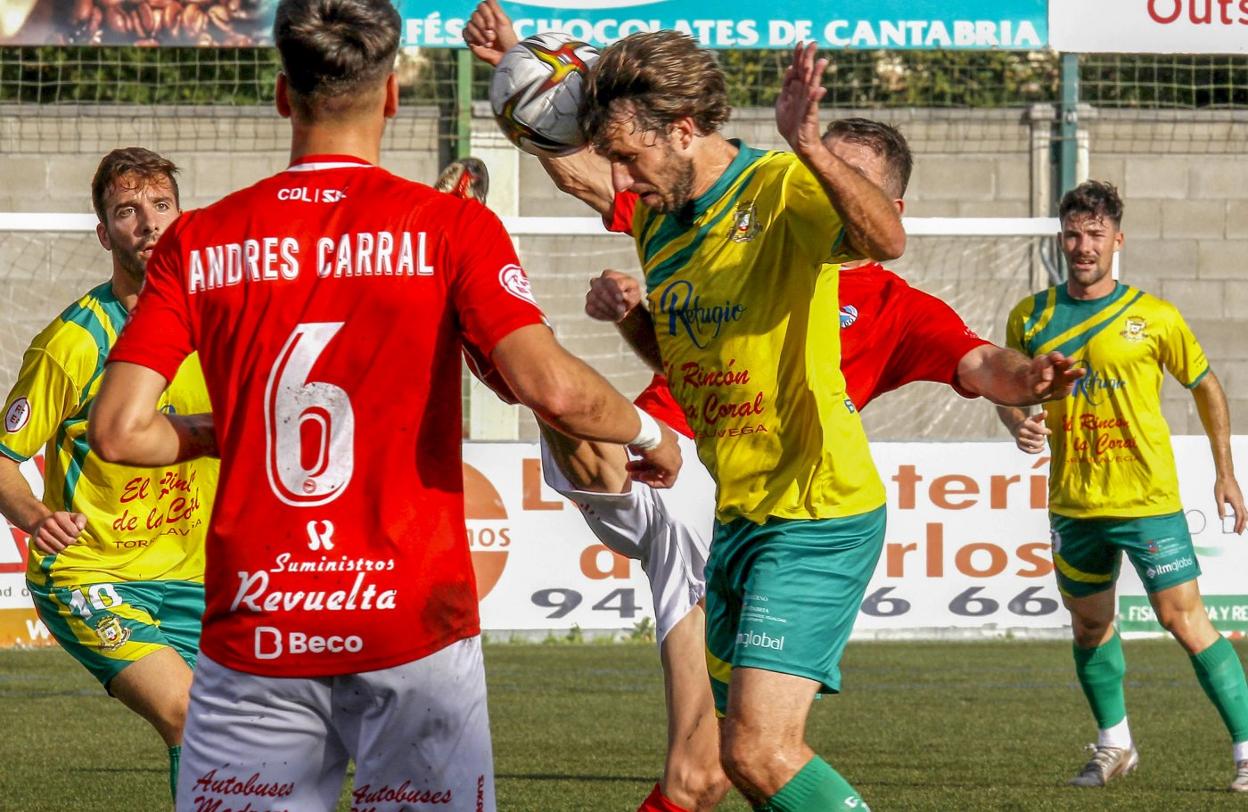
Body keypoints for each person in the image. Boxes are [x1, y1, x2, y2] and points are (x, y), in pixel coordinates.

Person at [86, 0, 682, 809]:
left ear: (282, 96)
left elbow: (119, 433)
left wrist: (220, 434)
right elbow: (553, 388)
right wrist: (650, 431)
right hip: (411, 623)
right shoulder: (450, 228)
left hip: (258, 622)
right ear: (394, 94)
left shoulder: (200, 240)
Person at [996, 180, 1248, 792]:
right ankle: (1115, 745)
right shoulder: (1031, 316)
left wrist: (1225, 473)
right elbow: (1009, 386)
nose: (1084, 246)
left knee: (1183, 620)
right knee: (1088, 627)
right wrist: (1020, 422)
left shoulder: (1154, 316)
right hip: (1075, 504)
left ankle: (1246, 751)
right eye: (1074, 235)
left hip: (1147, 500)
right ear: (1062, 240)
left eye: (1096, 235)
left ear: (1118, 240)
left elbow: (1207, 385)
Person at [0, 147, 217, 802]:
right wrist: (37, 517)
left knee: (250, 733)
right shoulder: (73, 341)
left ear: (183, 219)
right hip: (92, 575)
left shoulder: (219, 322)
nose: (147, 223)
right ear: (104, 232)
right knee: (192, 718)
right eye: (127, 211)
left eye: (160, 206)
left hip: (196, 574)